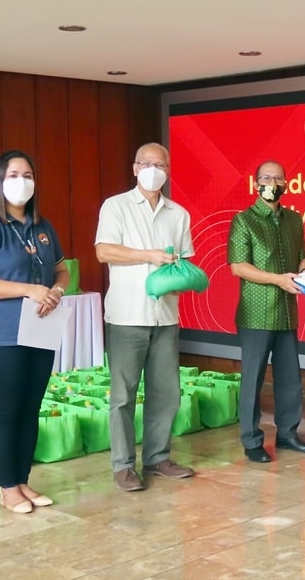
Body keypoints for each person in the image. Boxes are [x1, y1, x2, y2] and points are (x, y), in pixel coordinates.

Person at [0, 150, 69, 513]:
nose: (21, 181)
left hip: (39, 330)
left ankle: (23, 479)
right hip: (2, 334)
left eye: (27, 174)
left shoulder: (43, 226)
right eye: (12, 175)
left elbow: (62, 272)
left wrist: (54, 292)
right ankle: (7, 486)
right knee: (7, 410)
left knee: (31, 407)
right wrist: (27, 290)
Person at [95, 142, 195, 491]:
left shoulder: (178, 214)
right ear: (135, 168)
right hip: (126, 315)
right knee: (123, 394)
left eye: (161, 165)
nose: (154, 170)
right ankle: (123, 465)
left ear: (168, 170)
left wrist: (182, 280)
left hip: (166, 315)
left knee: (166, 392)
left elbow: (184, 261)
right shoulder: (116, 206)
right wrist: (148, 256)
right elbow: (104, 251)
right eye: (147, 164)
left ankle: (157, 457)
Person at [228, 160, 305, 463]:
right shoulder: (244, 220)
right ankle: (252, 440)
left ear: (285, 183)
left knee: (290, 378)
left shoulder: (294, 220)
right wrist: (278, 280)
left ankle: (288, 434)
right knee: (252, 379)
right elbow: (238, 266)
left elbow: (302, 258)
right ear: (256, 183)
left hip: (286, 311)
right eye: (266, 177)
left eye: (277, 178)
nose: (272, 182)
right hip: (256, 313)